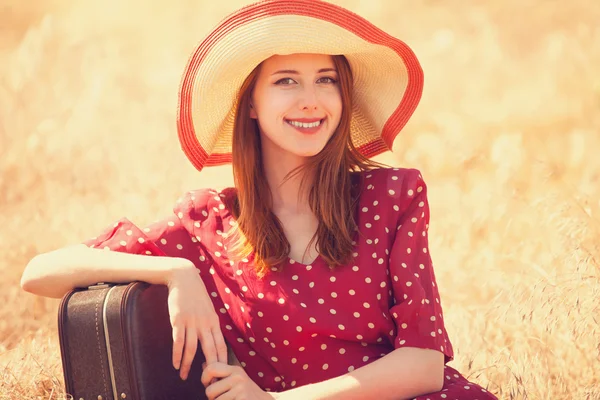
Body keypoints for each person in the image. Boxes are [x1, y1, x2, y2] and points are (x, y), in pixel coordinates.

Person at [21, 1, 498, 399]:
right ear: (251, 102)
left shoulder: (392, 196)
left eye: (326, 79)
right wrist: (174, 271)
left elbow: (423, 364)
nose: (310, 99)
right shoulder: (210, 224)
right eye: (286, 80)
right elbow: (39, 274)